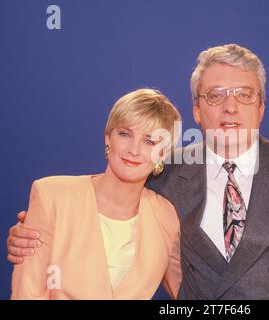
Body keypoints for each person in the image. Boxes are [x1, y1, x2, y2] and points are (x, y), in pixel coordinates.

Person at [8, 44, 269, 299]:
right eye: (215, 96)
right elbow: (101, 212)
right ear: (196, 109)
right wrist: (31, 235)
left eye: (244, 95)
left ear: (262, 107)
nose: (231, 107)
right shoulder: (164, 173)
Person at [10, 88, 182, 299]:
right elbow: (27, 293)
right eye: (125, 134)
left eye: (149, 141)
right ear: (108, 138)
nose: (134, 150)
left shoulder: (166, 215)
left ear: (163, 154)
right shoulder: (52, 196)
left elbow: (189, 292)